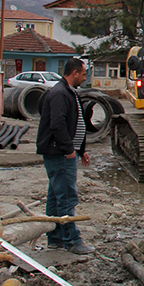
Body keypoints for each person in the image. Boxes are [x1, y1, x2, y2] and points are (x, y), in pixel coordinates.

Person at [36, 58, 94, 254]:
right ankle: (71, 240)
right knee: (67, 197)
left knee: (55, 196)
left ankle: (55, 237)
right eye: (84, 74)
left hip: (63, 152)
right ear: (75, 73)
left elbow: (75, 122)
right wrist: (68, 148)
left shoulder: (68, 92)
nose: (85, 78)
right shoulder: (60, 94)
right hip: (60, 154)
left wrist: (80, 149)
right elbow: (58, 124)